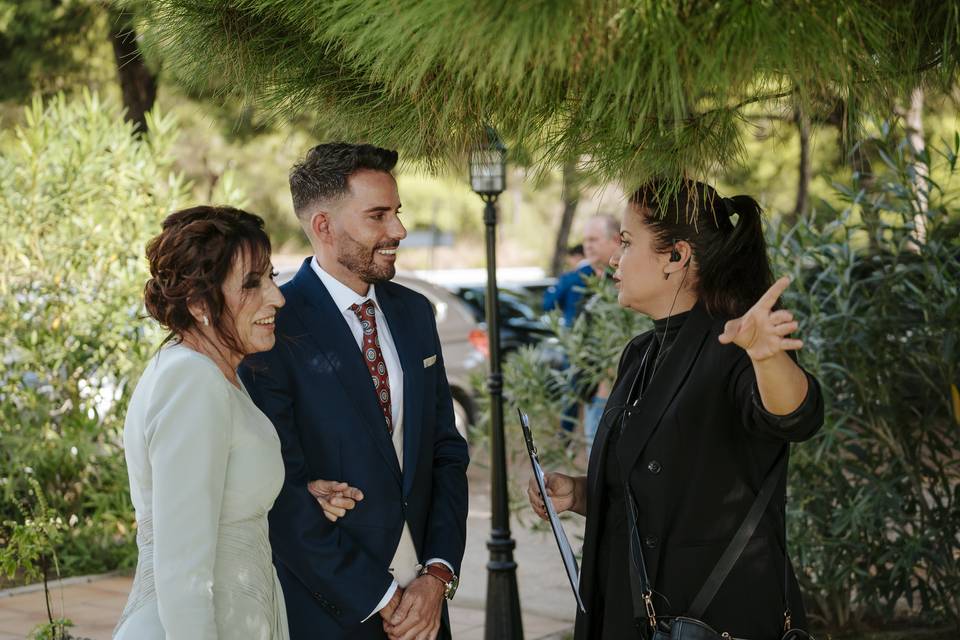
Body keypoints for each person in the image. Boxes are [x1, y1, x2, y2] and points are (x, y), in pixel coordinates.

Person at [527, 180, 824, 639]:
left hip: (710, 619)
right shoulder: (640, 352)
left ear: (676, 256)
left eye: (626, 243)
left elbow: (794, 416)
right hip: (631, 612)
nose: (613, 258)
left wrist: (768, 357)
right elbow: (652, 484)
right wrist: (579, 494)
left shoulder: (735, 341)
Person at [240, 143, 470, 640]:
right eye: (378, 216)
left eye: (398, 213)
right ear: (324, 226)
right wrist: (383, 600)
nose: (399, 231)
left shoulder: (414, 312)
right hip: (332, 612)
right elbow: (281, 489)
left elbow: (446, 451)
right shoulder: (273, 326)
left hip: (428, 609)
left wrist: (438, 575)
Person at [116, 206, 299, 638]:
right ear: (200, 304)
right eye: (252, 284)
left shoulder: (212, 373)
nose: (277, 297)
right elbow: (183, 573)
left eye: (271, 276)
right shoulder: (192, 380)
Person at [545, 216, 622, 438]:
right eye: (585, 240)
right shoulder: (579, 277)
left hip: (611, 392)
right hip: (587, 385)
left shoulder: (624, 281)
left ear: (616, 240)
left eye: (594, 239)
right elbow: (548, 304)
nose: (587, 245)